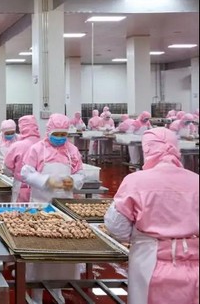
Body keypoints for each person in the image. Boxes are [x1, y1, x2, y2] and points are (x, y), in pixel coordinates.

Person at [104, 127, 199, 304]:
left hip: (150, 262)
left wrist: (137, 236)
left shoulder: (136, 181)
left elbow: (116, 226)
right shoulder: (196, 181)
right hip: (194, 262)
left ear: (147, 149)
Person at [20, 114, 84, 304]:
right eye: (57, 134)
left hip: (64, 206)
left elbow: (80, 173)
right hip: (40, 205)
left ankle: (57, 288)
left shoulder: (72, 151)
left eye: (64, 134)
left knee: (62, 249)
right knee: (39, 249)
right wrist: (46, 181)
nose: (60, 137)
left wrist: (71, 181)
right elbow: (26, 173)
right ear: (49, 132)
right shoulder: (37, 149)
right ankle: (36, 292)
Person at [4, 115, 41, 202]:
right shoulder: (44, 144)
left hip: (21, 188)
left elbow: (7, 170)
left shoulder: (17, 146)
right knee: (40, 210)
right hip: (41, 188)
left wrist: (14, 174)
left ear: (21, 128)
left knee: (20, 209)